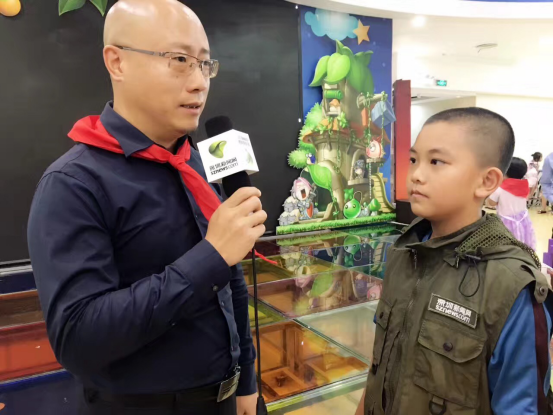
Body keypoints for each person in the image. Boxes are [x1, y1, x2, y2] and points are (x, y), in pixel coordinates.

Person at [27, 1, 266, 414]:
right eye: (179, 60)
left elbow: (230, 281)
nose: (199, 83)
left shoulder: (198, 164)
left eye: (205, 64)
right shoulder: (72, 184)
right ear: (116, 62)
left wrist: (246, 380)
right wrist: (209, 257)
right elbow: (78, 339)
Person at [355, 108, 553, 415]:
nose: (416, 174)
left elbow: (521, 404)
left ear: (486, 181)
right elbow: (379, 363)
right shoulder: (404, 252)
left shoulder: (512, 287)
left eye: (436, 162)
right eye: (413, 160)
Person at [487, 157, 536, 250]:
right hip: (523, 220)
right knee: (523, 243)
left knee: (506, 247)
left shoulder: (500, 189)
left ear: (505, 172)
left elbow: (490, 203)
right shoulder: (524, 185)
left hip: (505, 223)